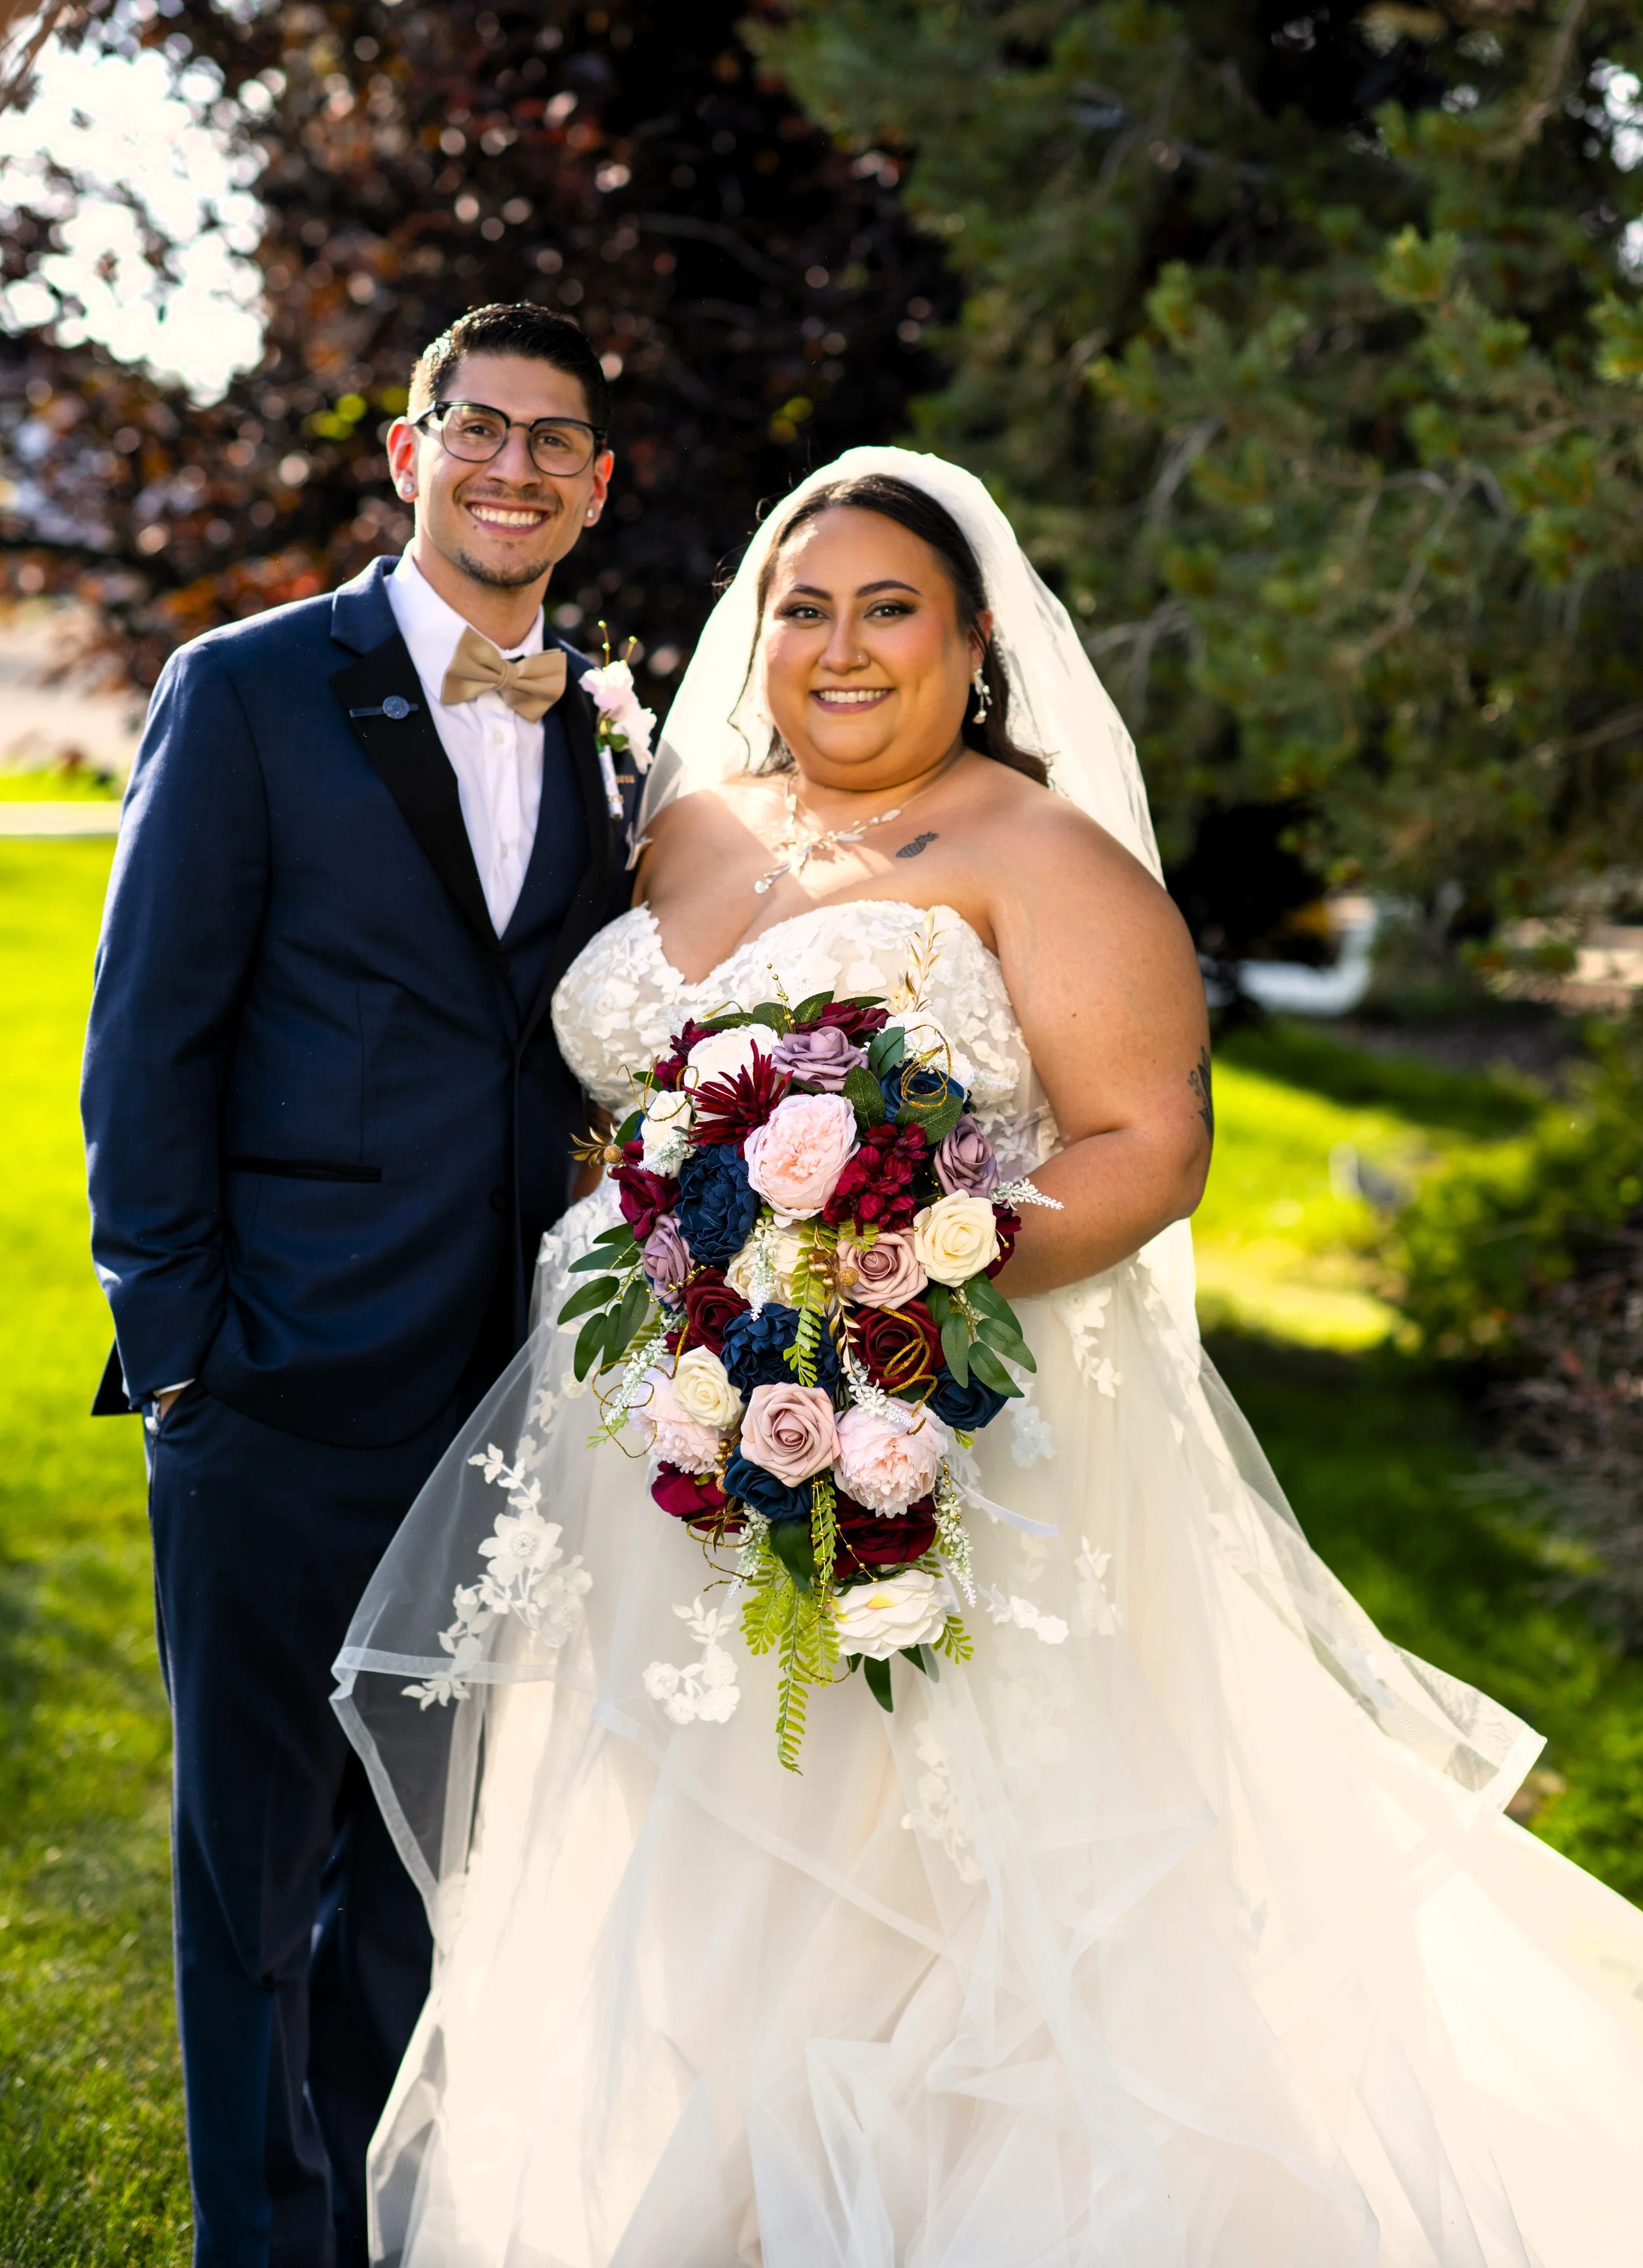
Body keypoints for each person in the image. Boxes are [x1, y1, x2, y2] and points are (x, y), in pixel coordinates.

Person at [335, 448, 1643, 2266]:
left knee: (892, 1885)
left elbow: (1144, 1148)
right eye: (805, 607)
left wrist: (882, 1274)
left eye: (890, 611)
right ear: (757, 632)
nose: (839, 648)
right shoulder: (684, 822)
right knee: (676, 1855)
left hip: (907, 1447)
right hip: (644, 1455)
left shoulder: (1041, 855)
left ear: (973, 650)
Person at [81, 302, 643, 2268]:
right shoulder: (242, 695)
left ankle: (386, 2231)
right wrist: (182, 1357)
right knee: (257, 1882)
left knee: (423, 1877)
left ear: (597, 480)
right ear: (407, 454)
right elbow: (147, 1038)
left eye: (551, 441)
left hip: (510, 1399)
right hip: (274, 1384)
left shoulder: (606, 728)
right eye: (474, 430)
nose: (513, 470)